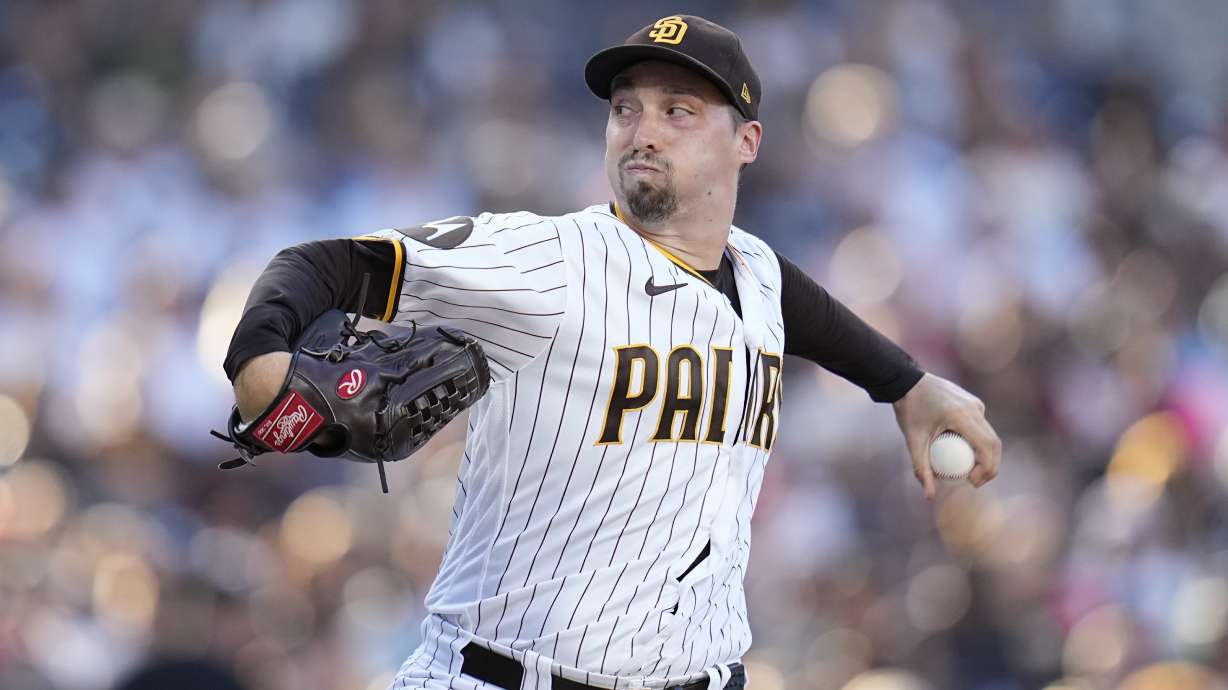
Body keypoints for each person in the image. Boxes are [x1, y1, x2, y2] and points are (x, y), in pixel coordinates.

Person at [223, 14, 1001, 690]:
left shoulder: (757, 271)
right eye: (625, 108)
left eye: (678, 110)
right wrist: (259, 360)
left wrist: (904, 384)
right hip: (500, 674)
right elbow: (320, 264)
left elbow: (801, 308)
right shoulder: (549, 260)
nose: (642, 129)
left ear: (747, 141)